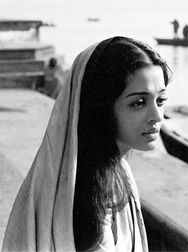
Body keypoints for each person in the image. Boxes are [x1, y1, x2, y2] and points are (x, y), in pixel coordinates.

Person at [2, 36, 171, 251]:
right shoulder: (85, 192)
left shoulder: (117, 171)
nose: (157, 116)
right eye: (138, 103)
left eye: (161, 100)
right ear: (102, 107)